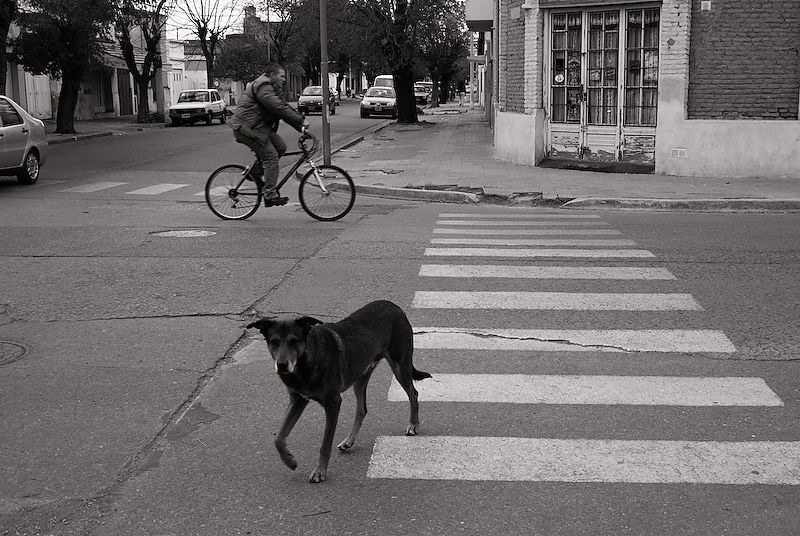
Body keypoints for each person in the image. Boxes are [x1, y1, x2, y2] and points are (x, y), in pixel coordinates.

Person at [230, 63, 310, 206]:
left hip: (259, 127)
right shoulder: (263, 87)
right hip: (246, 128)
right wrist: (301, 120)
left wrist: (301, 127)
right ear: (272, 75)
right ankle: (269, 195)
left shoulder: (272, 88)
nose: (284, 79)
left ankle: (254, 173)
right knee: (271, 157)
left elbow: (283, 108)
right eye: (282, 76)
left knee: (281, 147)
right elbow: (278, 108)